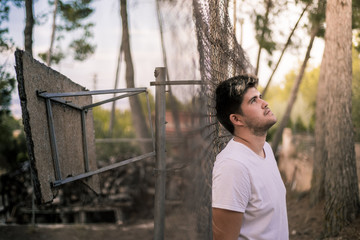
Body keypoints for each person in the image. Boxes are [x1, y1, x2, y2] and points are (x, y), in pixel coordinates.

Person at [212, 74, 289, 240]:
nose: (265, 103)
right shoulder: (233, 167)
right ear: (236, 119)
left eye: (260, 97)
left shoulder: (265, 149)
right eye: (254, 100)